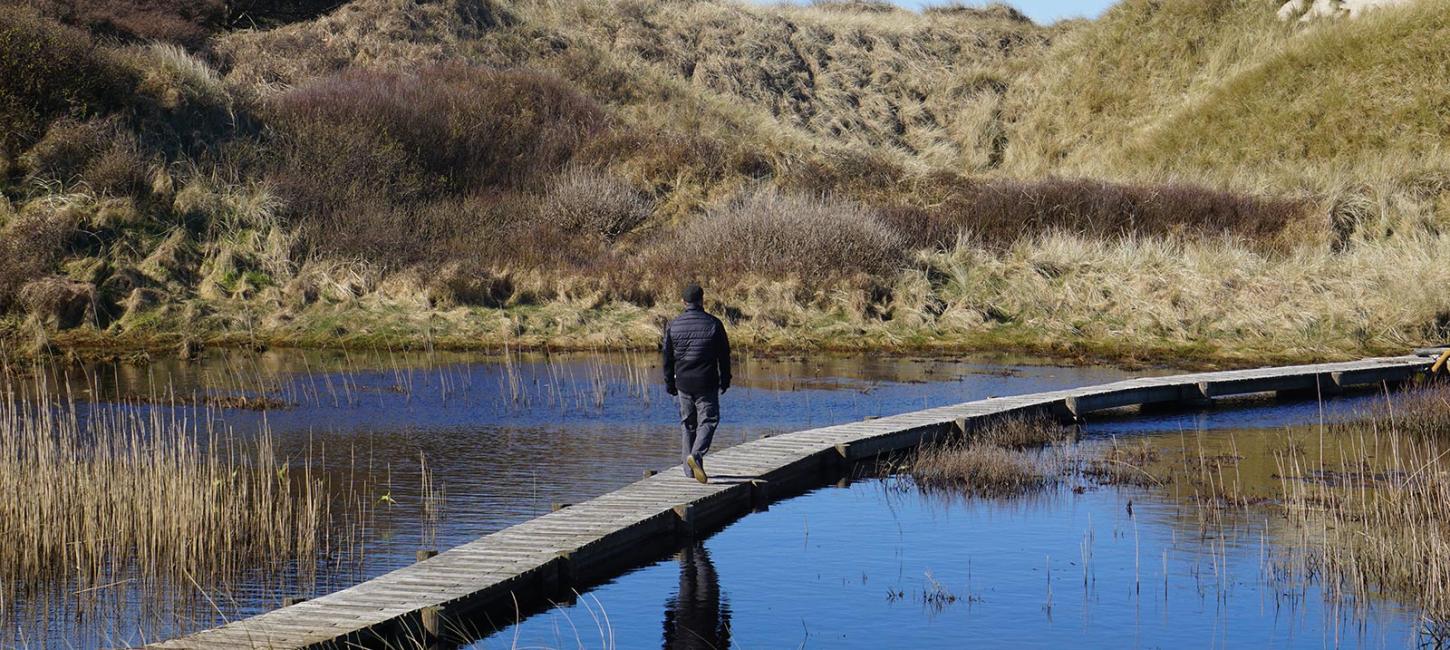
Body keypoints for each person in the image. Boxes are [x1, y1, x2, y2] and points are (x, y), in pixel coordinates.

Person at [661, 283, 731, 484]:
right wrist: (725, 379)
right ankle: (696, 456)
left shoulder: (674, 325)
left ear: (684, 302)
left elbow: (667, 358)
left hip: (683, 381)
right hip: (706, 381)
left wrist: (669, 383)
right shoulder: (713, 324)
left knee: (688, 423)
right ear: (702, 300)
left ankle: (689, 470)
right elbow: (724, 356)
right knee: (708, 420)